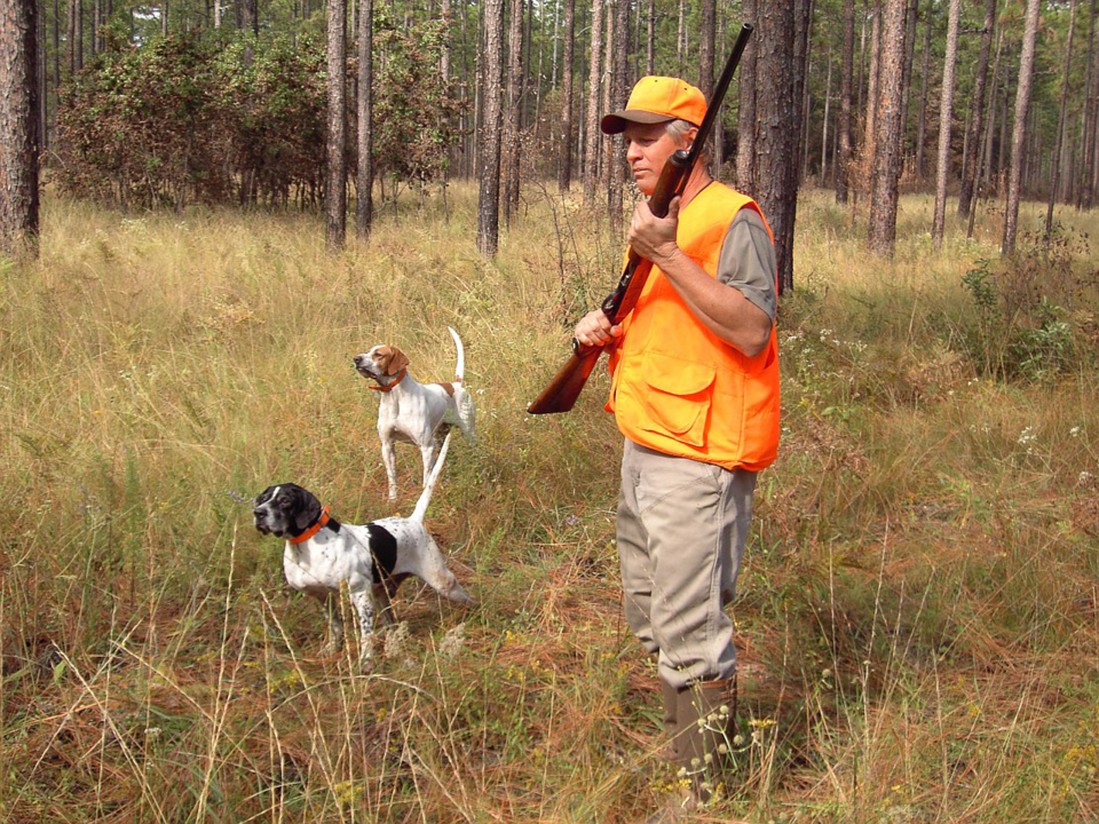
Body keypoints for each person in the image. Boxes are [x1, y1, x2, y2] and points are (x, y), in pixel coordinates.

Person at [574, 75, 780, 813]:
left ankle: (703, 795)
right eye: (625, 139)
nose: (630, 152)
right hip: (645, 439)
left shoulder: (733, 218)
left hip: (699, 453)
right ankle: (686, 738)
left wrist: (664, 255)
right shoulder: (658, 215)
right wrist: (602, 329)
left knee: (690, 628)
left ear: (687, 140)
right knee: (650, 613)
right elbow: (673, 320)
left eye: (645, 137)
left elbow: (751, 329)